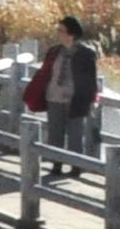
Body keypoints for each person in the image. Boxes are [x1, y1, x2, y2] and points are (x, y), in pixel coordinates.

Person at [25, 15, 102, 161]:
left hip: (76, 100)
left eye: (61, 30)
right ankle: (56, 164)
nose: (58, 33)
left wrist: (91, 100)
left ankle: (75, 165)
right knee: (55, 134)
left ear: (71, 34)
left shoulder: (86, 54)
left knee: (75, 135)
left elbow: (90, 79)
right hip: (54, 97)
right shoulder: (54, 51)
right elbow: (44, 73)